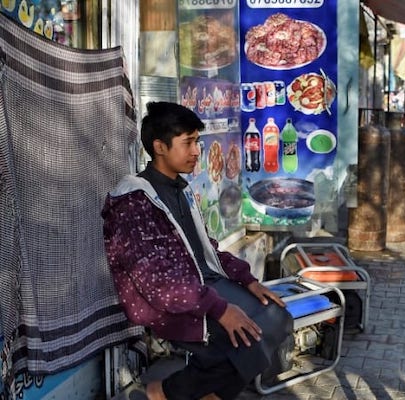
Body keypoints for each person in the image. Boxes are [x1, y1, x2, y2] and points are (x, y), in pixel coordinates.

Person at [102, 102, 293, 400]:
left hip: (205, 286)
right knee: (247, 344)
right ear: (159, 147)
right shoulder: (135, 201)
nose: (196, 152)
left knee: (278, 319)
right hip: (169, 303)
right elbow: (157, 282)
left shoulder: (181, 189)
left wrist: (247, 280)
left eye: (197, 142)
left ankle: (184, 394)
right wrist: (221, 309)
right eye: (188, 143)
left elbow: (207, 251)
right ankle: (161, 392)